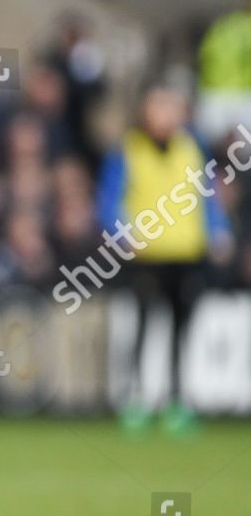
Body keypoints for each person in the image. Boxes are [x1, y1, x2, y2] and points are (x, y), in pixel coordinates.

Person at [96, 83, 232, 437]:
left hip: (186, 253)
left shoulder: (192, 148)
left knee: (181, 330)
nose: (166, 116)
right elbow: (110, 199)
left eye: (171, 108)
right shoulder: (127, 150)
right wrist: (120, 233)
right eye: (159, 108)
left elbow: (207, 195)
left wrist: (218, 229)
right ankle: (137, 400)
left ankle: (177, 401)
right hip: (147, 254)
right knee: (142, 327)